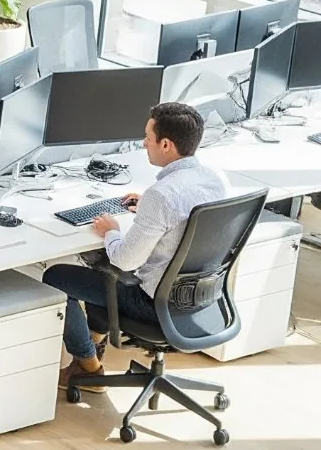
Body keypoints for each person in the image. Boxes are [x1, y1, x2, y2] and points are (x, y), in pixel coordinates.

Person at [42, 103, 231, 385]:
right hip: (201, 299)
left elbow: (124, 260)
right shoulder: (213, 178)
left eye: (148, 137)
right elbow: (186, 218)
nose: (143, 143)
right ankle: (94, 341)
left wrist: (111, 231)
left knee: (56, 275)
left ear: (166, 145)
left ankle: (87, 366)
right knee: (98, 269)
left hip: (154, 304)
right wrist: (148, 210)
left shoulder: (162, 195)